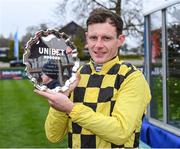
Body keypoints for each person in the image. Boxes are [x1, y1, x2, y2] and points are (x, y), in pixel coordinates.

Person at [35, 8, 151, 148]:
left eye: (106, 38)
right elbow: (53, 135)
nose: (98, 45)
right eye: (93, 38)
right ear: (86, 38)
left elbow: (120, 133)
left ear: (120, 40)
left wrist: (71, 108)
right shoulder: (75, 75)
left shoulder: (132, 77)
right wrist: (58, 105)